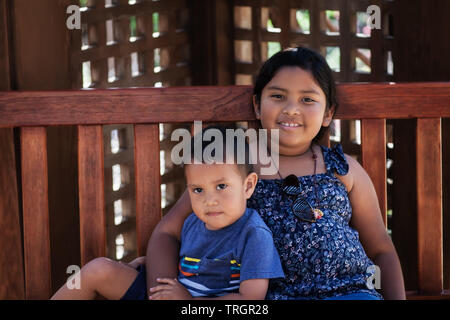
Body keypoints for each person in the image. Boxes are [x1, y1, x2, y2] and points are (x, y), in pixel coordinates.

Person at [144, 47, 406, 300]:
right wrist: (165, 291)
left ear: (328, 113)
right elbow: (167, 233)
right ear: (257, 106)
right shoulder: (234, 168)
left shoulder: (343, 169)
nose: (291, 109)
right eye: (278, 96)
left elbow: (381, 248)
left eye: (307, 99)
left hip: (351, 292)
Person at [51, 126, 284, 300]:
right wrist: (149, 263)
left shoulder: (254, 235)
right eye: (198, 190)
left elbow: (250, 302)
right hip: (168, 294)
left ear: (248, 186)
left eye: (221, 186)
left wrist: (188, 302)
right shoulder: (192, 223)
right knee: (98, 269)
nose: (209, 200)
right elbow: (186, 261)